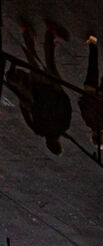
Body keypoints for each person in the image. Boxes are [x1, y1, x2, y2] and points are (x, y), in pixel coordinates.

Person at [9, 21, 72, 155]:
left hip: (54, 89)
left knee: (50, 62)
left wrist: (60, 92)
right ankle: (26, 33)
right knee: (32, 61)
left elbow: (67, 106)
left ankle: (49, 34)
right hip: (37, 89)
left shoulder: (63, 126)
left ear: (58, 143)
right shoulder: (37, 129)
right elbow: (25, 109)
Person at [79, 36, 103, 148]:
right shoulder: (89, 122)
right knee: (92, 68)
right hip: (89, 93)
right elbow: (82, 106)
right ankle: (92, 43)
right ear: (92, 136)